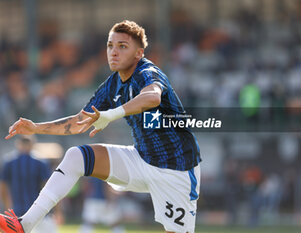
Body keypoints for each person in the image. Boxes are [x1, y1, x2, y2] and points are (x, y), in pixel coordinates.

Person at [1, 20, 201, 233]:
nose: (114, 52)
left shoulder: (147, 72)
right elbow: (80, 122)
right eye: (110, 45)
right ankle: (24, 225)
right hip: (142, 159)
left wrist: (111, 114)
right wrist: (35, 128)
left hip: (176, 169)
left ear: (138, 53)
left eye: (122, 46)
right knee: (76, 156)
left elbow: (152, 97)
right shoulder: (112, 84)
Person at [0, 135, 61, 233]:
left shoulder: (9, 162)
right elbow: (49, 188)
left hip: (17, 212)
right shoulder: (40, 162)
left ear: (18, 144)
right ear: (32, 145)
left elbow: (3, 188)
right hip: (40, 211)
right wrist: (57, 211)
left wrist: (8, 207)